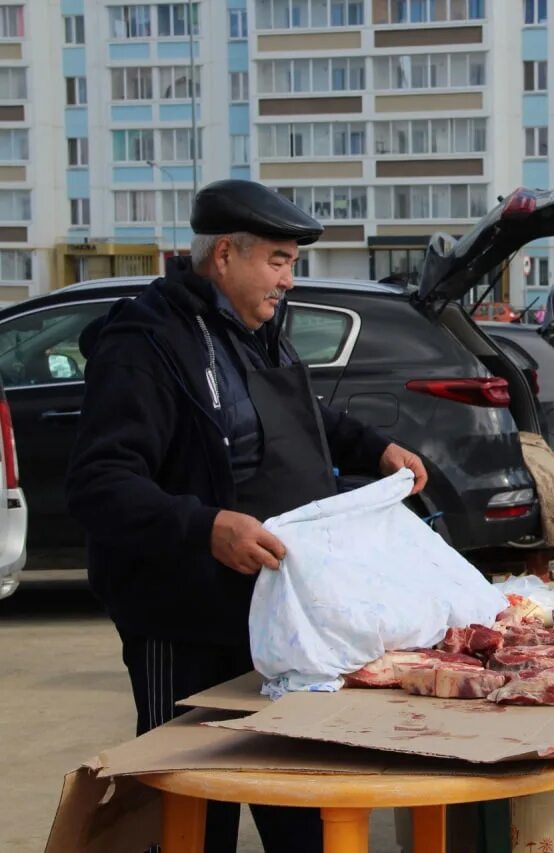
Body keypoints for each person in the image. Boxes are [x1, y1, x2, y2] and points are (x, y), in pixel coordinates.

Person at [65, 180, 428, 853]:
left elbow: (298, 418)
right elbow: (97, 483)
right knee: (196, 819)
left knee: (302, 803)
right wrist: (206, 526)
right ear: (225, 254)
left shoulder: (260, 333)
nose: (289, 280)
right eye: (279, 261)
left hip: (278, 620)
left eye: (293, 263)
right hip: (185, 622)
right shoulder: (146, 343)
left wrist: (373, 446)